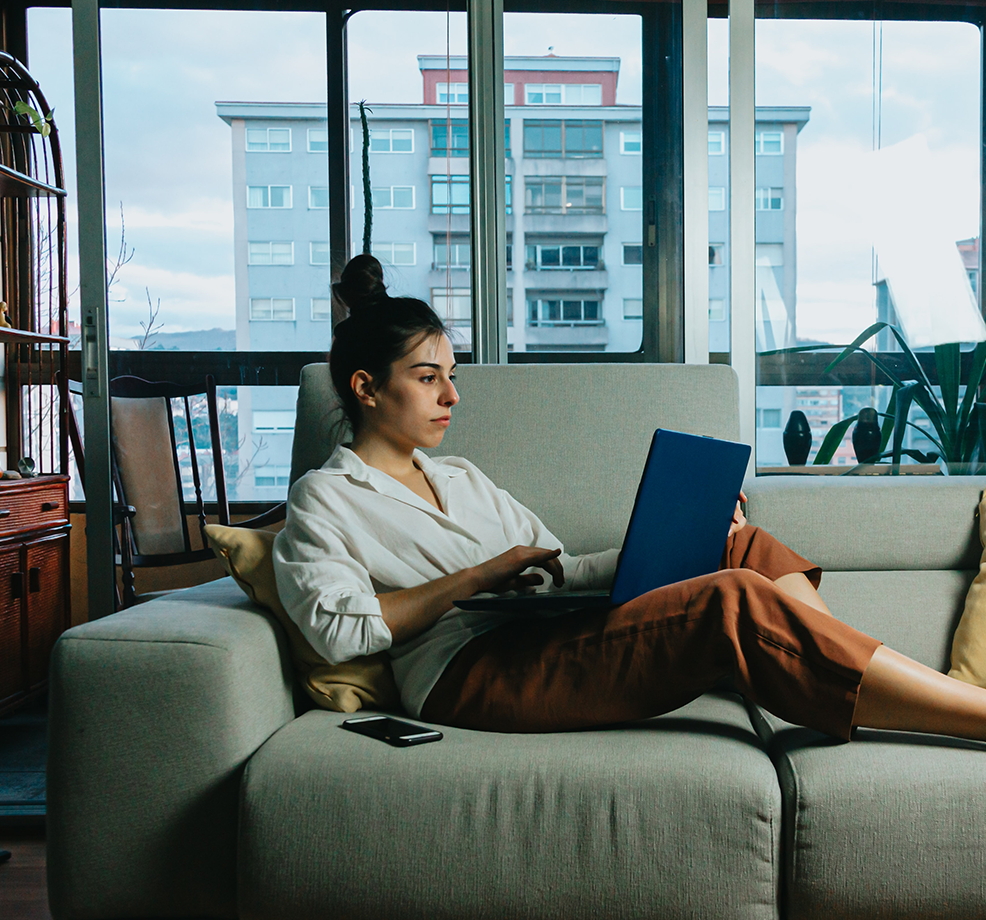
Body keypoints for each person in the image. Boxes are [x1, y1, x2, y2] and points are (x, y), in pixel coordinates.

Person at [273, 253, 986, 742]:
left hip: (542, 633)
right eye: (428, 377)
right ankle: (967, 712)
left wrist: (683, 538)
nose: (452, 395)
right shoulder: (325, 500)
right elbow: (338, 630)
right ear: (366, 387)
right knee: (730, 598)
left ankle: (873, 683)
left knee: (737, 546)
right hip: (468, 675)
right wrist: (474, 578)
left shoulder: (459, 476)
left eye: (451, 375)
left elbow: (563, 571)